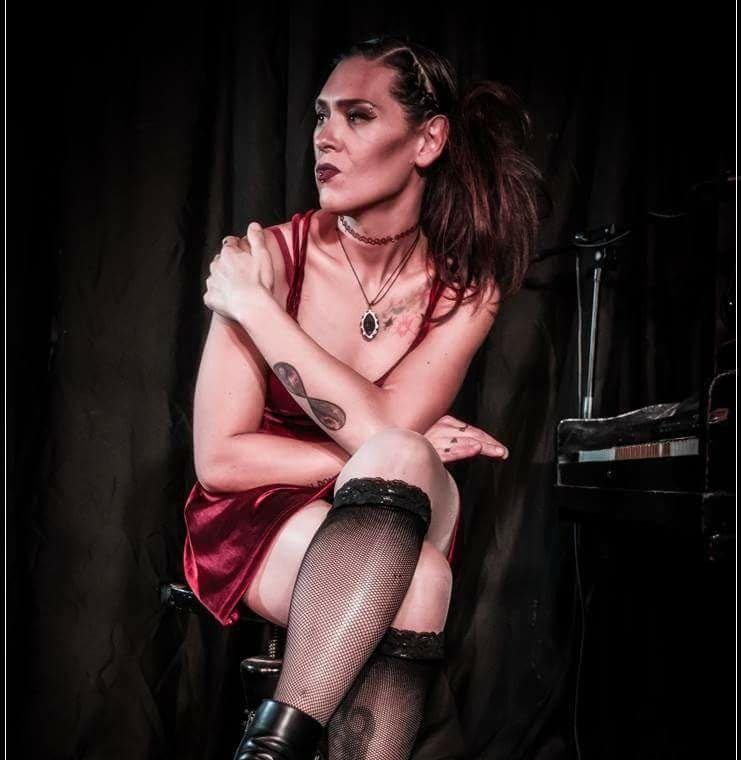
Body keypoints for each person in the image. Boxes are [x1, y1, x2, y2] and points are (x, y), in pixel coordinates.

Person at [182, 34, 545, 760]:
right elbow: (219, 460)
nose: (325, 137)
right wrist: (367, 454)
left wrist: (257, 312)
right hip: (260, 512)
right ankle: (280, 748)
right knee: (422, 579)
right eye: (322, 115)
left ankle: (270, 745)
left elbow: (382, 436)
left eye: (357, 116)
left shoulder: (465, 289)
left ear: (427, 140)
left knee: (400, 454)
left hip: (401, 498)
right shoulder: (269, 256)